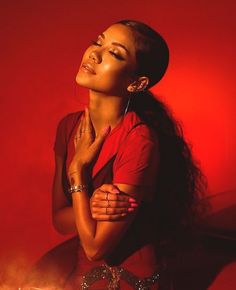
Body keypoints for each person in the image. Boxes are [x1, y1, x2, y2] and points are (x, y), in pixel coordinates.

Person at [22, 20, 206, 289]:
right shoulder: (68, 127)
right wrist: (93, 205)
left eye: (115, 53)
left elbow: (96, 248)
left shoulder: (139, 140)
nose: (94, 53)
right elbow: (60, 220)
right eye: (97, 41)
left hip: (129, 281)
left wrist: (77, 173)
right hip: (82, 278)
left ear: (136, 82)